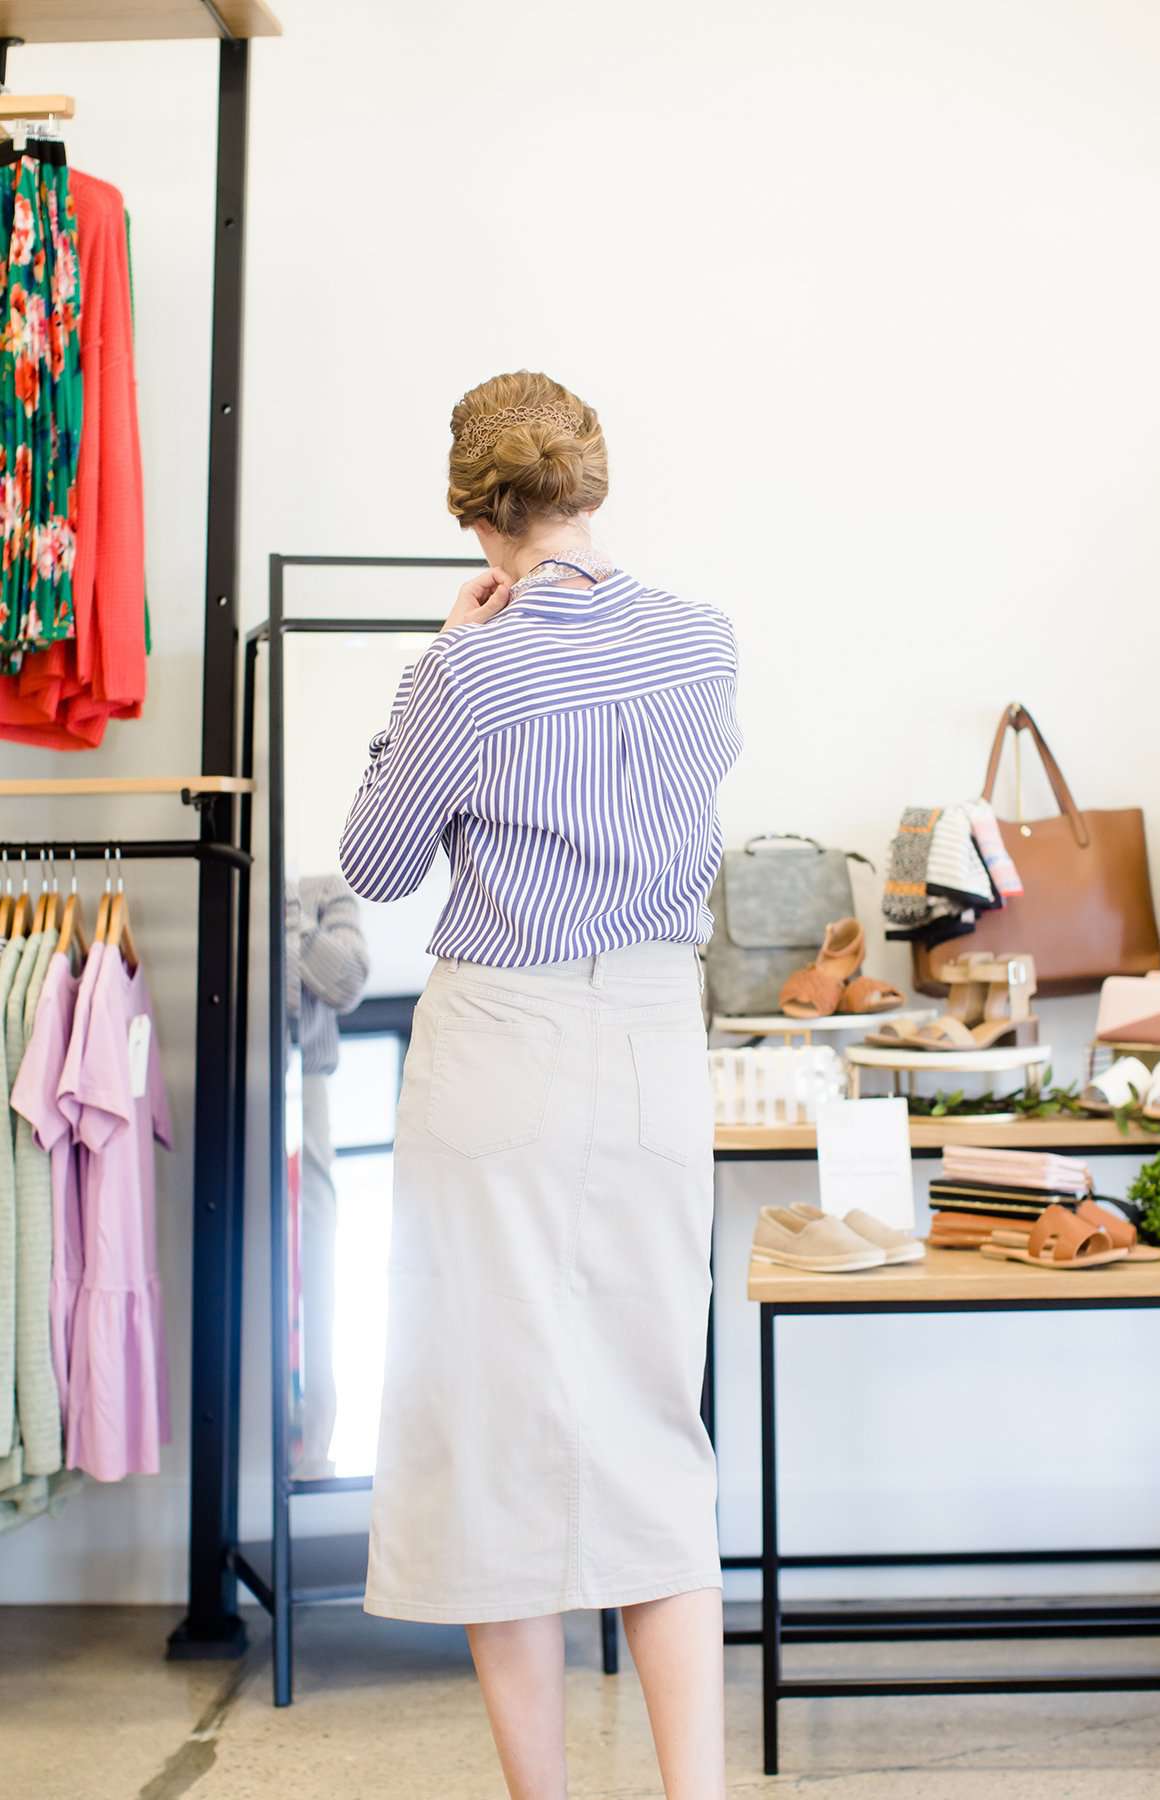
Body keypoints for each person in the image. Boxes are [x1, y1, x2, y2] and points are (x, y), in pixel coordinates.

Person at [338, 369, 742, 1799]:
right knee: (649, 1417)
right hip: (651, 1040)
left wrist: (426, 671)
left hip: (503, 1048)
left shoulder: (466, 671)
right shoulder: (704, 646)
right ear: (594, 484)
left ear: (473, 515)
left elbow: (380, 866)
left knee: (496, 1428)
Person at [284, 874, 369, 1479]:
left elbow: (345, 982)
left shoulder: (324, 890)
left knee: (317, 1253)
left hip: (308, 1084)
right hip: (245, 1080)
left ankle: (315, 1443)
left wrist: (288, 919)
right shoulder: (241, 887)